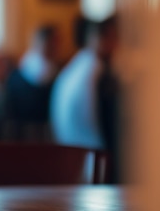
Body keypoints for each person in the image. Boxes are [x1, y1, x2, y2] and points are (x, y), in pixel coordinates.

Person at [49, 14, 121, 180]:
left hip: (69, 152)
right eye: (115, 37)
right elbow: (104, 126)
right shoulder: (98, 73)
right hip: (89, 158)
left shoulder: (78, 64)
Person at [1, 25, 62, 141]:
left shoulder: (56, 71)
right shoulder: (20, 74)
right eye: (53, 42)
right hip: (23, 135)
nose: (57, 47)